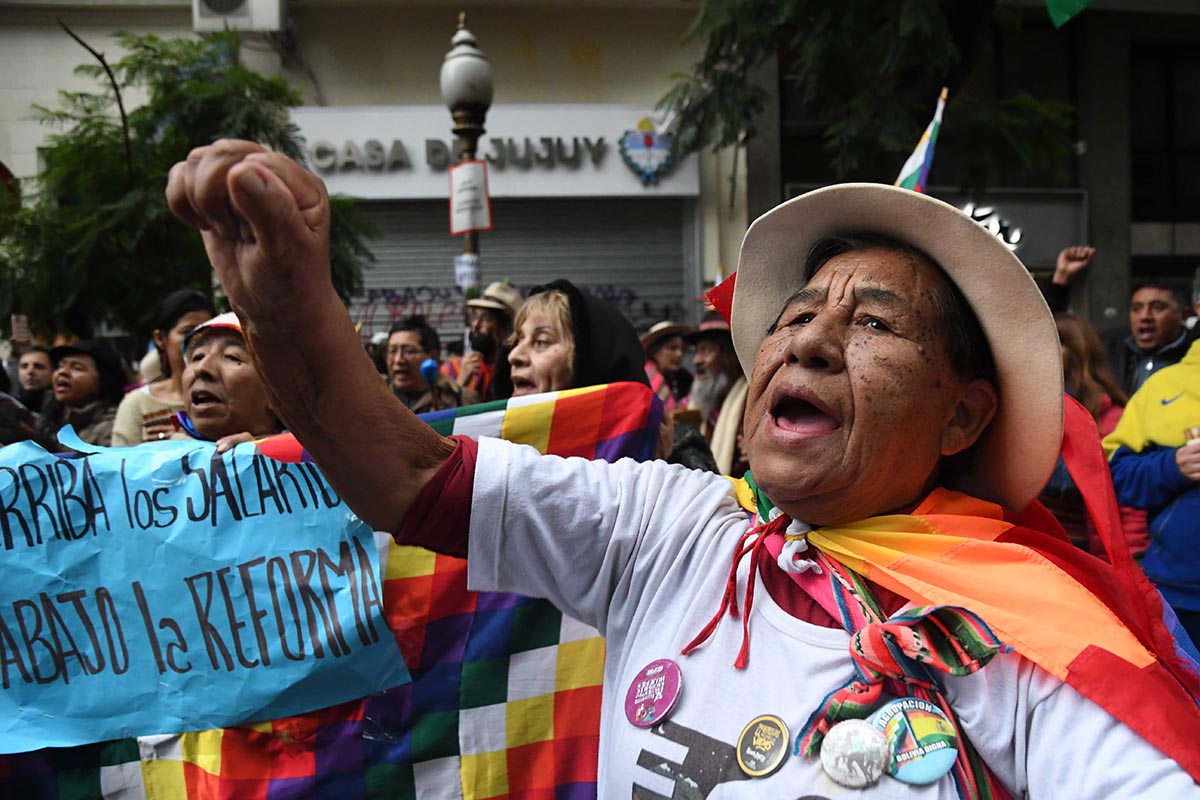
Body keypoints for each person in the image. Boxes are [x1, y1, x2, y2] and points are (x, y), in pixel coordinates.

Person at [167, 142, 1200, 795]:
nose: (806, 342)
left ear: (962, 413)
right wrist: (284, 301)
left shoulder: (1021, 639)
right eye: (797, 317)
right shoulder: (672, 524)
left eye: (873, 322)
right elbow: (405, 476)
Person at [1040, 313, 1148, 557]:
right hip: (1040, 546)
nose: (1048, 349)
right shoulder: (1033, 409)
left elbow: (1126, 501)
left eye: (1060, 340)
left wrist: (1130, 559)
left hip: (1087, 553)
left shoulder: (1111, 418)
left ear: (1080, 351)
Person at [112, 289, 216, 445]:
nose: (199, 340)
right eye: (188, 332)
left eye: (206, 331)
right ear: (160, 338)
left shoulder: (232, 397)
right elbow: (120, 465)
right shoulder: (137, 403)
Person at [171, 311, 285, 448]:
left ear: (277, 393)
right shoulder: (161, 458)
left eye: (231, 356)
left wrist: (264, 452)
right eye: (197, 357)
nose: (202, 368)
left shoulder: (312, 459)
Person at [1104, 279, 1198, 395]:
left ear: (1184, 316)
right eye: (1136, 308)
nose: (1145, 316)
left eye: (1157, 307)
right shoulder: (1111, 351)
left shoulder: (1194, 357)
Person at [686, 311, 748, 476]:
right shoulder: (700, 404)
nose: (696, 361)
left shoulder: (752, 401)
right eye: (697, 352)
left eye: (706, 351)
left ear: (730, 355)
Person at [34, 339, 126, 448]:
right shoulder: (47, 420)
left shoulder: (113, 426)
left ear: (102, 382)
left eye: (77, 368)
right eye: (60, 366)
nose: (62, 372)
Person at [442, 280, 522, 401]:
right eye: (474, 316)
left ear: (507, 326)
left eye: (486, 318)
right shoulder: (453, 369)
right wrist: (460, 383)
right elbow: (440, 416)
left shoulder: (519, 371)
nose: (475, 325)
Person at [385, 315, 479, 412]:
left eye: (409, 351)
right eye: (392, 351)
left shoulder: (461, 400)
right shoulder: (375, 397)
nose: (398, 360)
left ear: (433, 356)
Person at [641, 320, 694, 410]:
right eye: (672, 348)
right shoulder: (643, 381)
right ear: (655, 352)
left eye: (682, 349)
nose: (679, 354)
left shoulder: (687, 380)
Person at [16, 345, 52, 414]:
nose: (30, 371)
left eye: (38, 366)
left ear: (52, 372)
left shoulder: (65, 412)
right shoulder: (10, 408)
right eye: (24, 366)